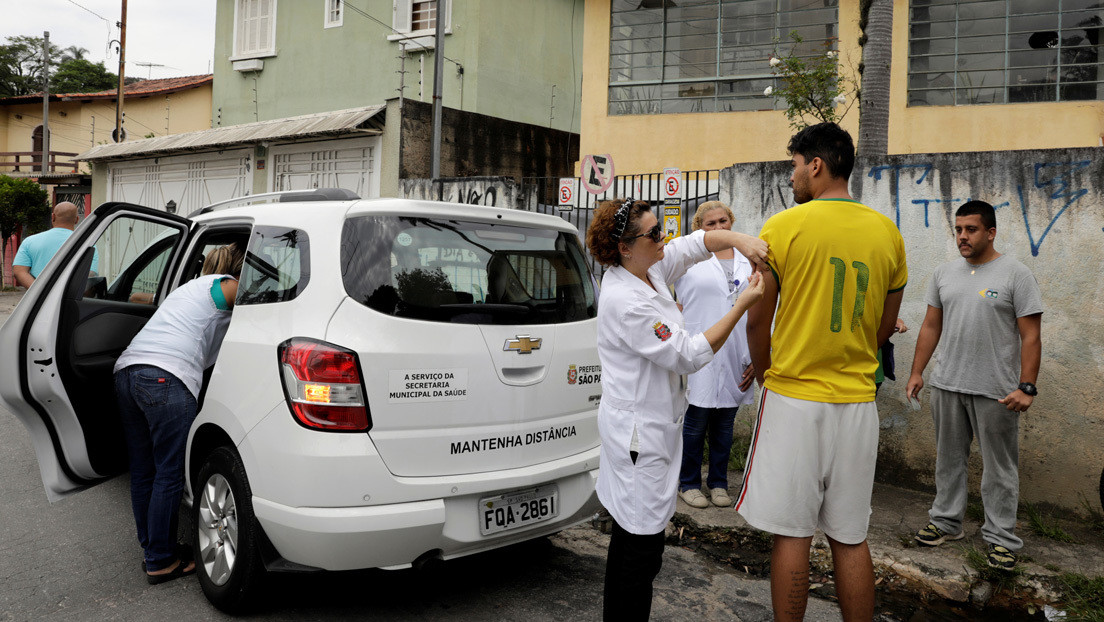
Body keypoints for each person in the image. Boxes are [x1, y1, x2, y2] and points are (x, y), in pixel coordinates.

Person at [740, 122, 907, 622]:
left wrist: (769, 373)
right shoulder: (888, 232)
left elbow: (756, 321)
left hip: (794, 398)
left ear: (816, 164)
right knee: (851, 536)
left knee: (793, 533)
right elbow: (882, 328)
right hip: (857, 403)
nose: (792, 176)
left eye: (795, 165)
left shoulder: (783, 228)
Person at [587, 198, 767, 621]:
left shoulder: (647, 269)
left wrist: (739, 239)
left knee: (633, 541)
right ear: (626, 247)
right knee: (641, 552)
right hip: (639, 438)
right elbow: (686, 354)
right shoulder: (628, 300)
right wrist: (741, 304)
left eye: (660, 228)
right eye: (654, 233)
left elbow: (693, 244)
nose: (663, 237)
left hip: (647, 429)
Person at [906, 200, 1042, 571]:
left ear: (991, 232)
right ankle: (947, 522)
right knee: (948, 460)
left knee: (1000, 468)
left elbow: (1031, 336)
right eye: (958, 230)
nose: (963, 237)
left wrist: (1026, 387)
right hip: (947, 383)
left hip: (996, 390)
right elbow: (931, 326)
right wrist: (917, 371)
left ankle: (1001, 539)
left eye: (971, 230)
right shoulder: (944, 273)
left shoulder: (1016, 274)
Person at [113, 243, 245, 584]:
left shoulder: (187, 290)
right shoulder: (223, 284)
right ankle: (161, 559)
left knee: (144, 471)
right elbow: (250, 294)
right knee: (168, 474)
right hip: (164, 378)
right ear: (236, 269)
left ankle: (155, 551)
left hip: (128, 371)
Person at [673, 201, 757, 509]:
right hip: (698, 349)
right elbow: (674, 305)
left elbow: (764, 311)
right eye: (711, 224)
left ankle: (718, 482)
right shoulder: (687, 261)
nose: (719, 227)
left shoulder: (749, 261)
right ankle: (688, 482)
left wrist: (759, 357)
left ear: (731, 223)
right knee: (695, 423)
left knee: (725, 424)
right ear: (699, 229)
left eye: (723, 221)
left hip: (738, 354)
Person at [12, 201, 97, 288]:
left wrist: (40, 293)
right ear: (77, 220)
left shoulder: (29, 241)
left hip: (40, 300)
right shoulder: (87, 243)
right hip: (70, 299)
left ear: (53, 217)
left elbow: (19, 272)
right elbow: (89, 275)